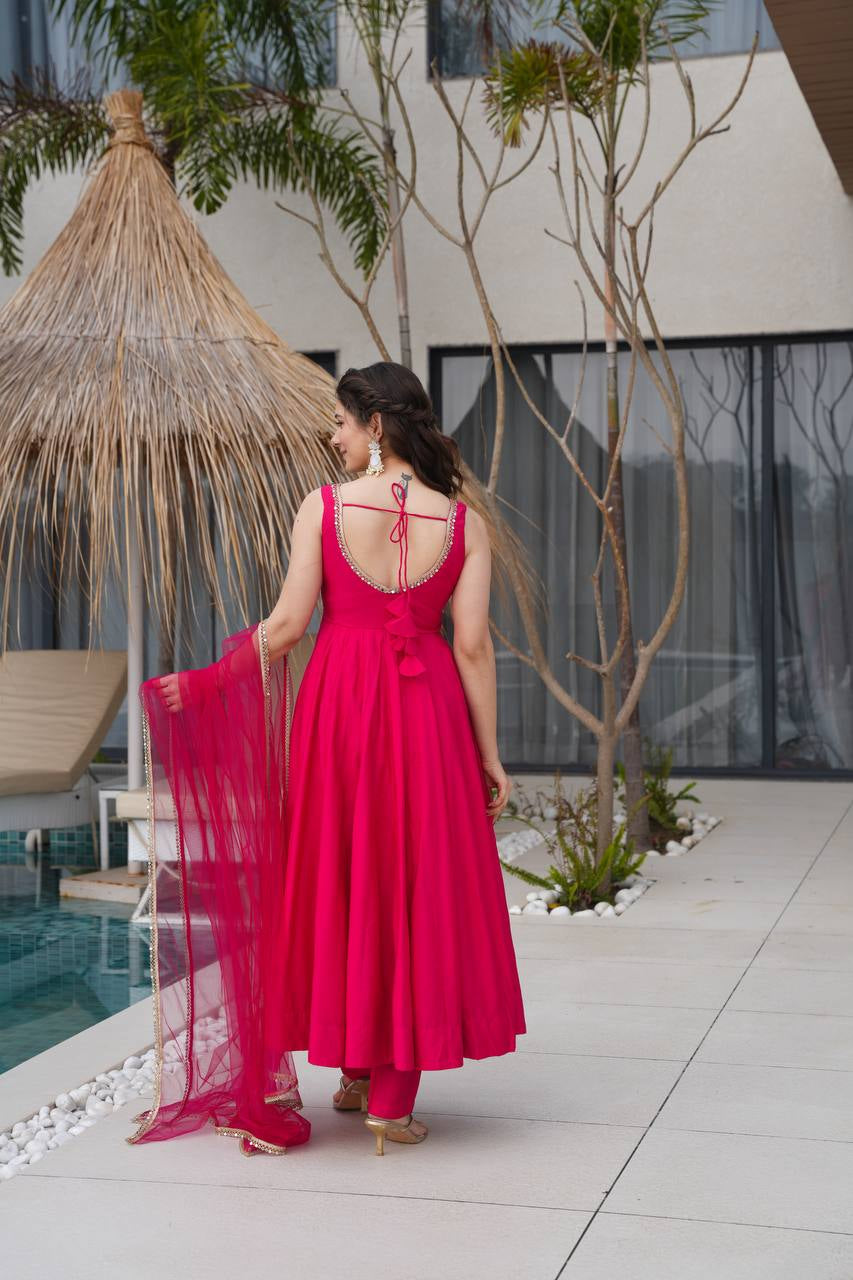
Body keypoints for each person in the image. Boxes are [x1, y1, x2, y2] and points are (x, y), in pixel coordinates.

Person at [131, 361, 526, 1159]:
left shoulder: (324, 507)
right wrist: (489, 755)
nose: (333, 434)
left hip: (340, 713)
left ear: (375, 426)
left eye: (342, 421)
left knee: (344, 876)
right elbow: (472, 647)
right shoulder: (464, 523)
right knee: (413, 883)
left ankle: (355, 1071)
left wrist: (207, 683)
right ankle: (384, 1093)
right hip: (429, 719)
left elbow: (284, 629)